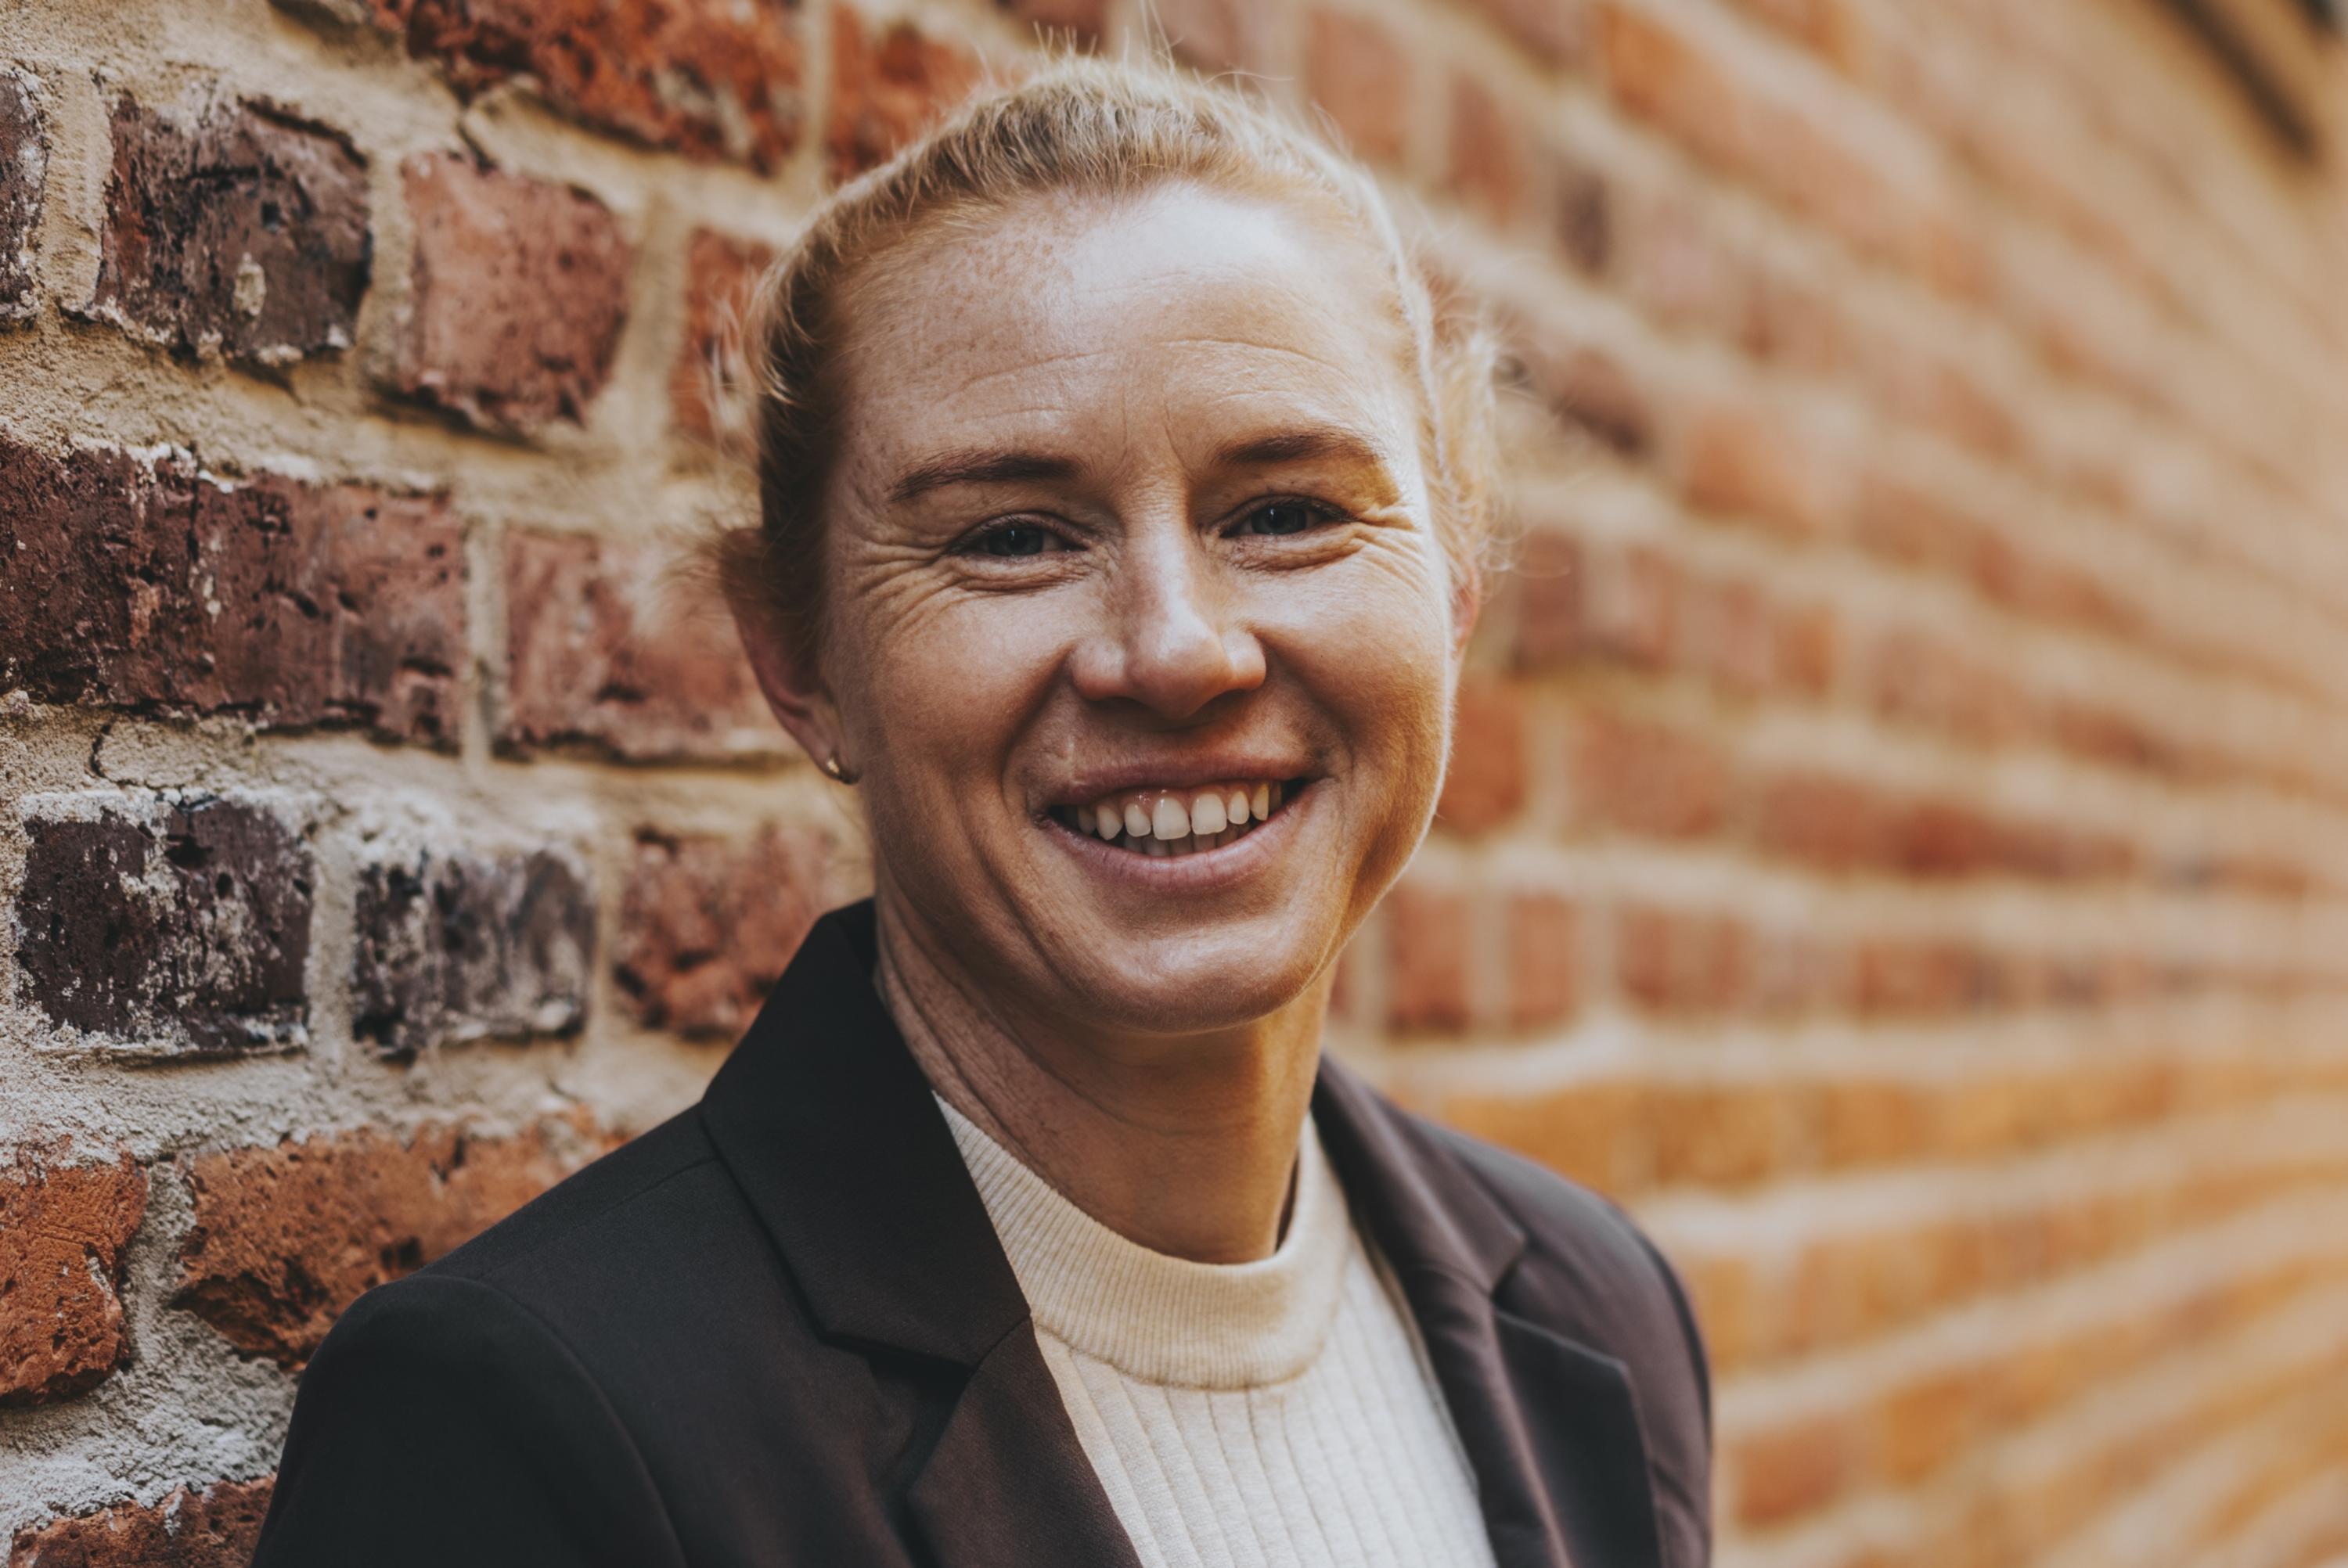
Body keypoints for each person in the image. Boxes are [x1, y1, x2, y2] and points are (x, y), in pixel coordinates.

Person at [251, 57, 1712, 1568]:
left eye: (1284, 513)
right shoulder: (523, 1424)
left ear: (1454, 593)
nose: (1177, 649)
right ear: (801, 662)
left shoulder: (1601, 1317)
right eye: (1013, 536)